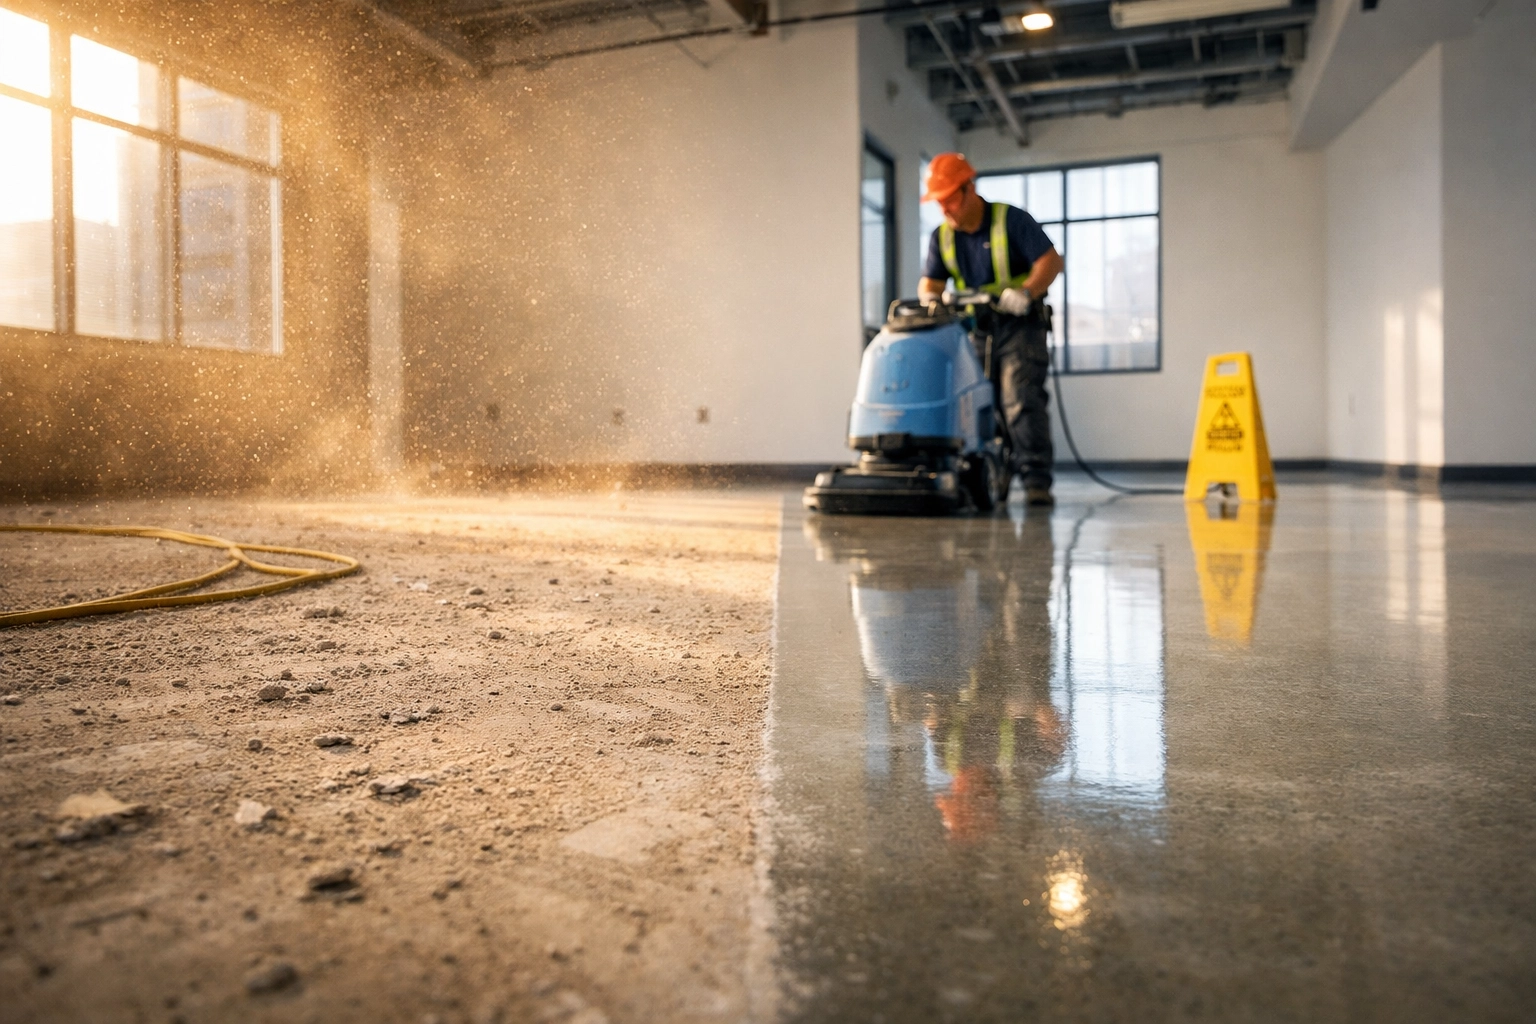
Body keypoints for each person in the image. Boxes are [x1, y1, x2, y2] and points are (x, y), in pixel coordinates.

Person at [918, 153, 1064, 507]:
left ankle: (1035, 481)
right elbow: (930, 285)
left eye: (950, 199)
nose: (946, 209)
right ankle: (985, 473)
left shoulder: (1009, 220)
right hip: (974, 330)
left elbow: (1051, 261)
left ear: (970, 189)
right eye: (940, 202)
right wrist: (932, 301)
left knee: (1018, 399)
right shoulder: (942, 238)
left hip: (1019, 326)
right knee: (976, 403)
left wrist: (1027, 292)